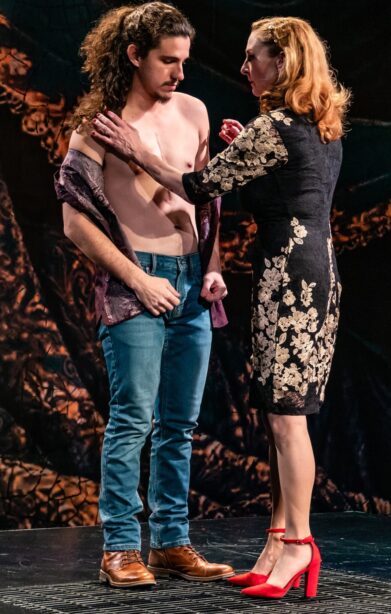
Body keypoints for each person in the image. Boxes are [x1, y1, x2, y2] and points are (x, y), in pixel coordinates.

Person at [91, 15, 349, 600]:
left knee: (287, 418)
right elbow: (283, 188)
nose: (244, 67)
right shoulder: (316, 124)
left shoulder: (275, 124)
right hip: (313, 269)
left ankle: (299, 547)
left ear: (281, 62)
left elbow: (197, 186)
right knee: (280, 412)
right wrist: (243, 153)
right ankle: (278, 541)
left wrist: (137, 152)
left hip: (289, 276)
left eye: (253, 56)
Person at [54, 2, 234, 587]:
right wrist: (137, 279)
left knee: (179, 424)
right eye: (167, 60)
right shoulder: (99, 124)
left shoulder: (196, 111)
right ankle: (121, 549)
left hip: (190, 283)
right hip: (138, 282)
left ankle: (173, 542)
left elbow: (207, 201)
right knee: (134, 419)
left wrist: (211, 266)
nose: (179, 73)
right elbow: (74, 222)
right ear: (134, 55)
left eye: (184, 60)